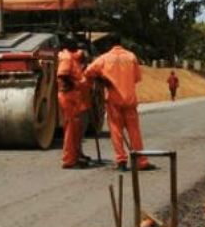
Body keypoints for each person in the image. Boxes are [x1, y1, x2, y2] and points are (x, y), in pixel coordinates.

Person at [85, 37, 152, 171]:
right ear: (121, 44)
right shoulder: (131, 57)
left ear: (109, 44)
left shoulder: (104, 58)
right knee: (134, 131)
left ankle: (121, 161)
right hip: (129, 100)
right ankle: (140, 162)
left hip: (113, 101)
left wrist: (101, 78)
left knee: (116, 131)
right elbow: (136, 78)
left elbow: (88, 72)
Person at [57, 40, 90, 169]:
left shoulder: (70, 57)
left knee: (74, 129)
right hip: (69, 97)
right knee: (71, 130)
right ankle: (69, 161)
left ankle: (75, 157)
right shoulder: (67, 58)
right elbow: (62, 75)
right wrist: (73, 85)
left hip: (73, 97)